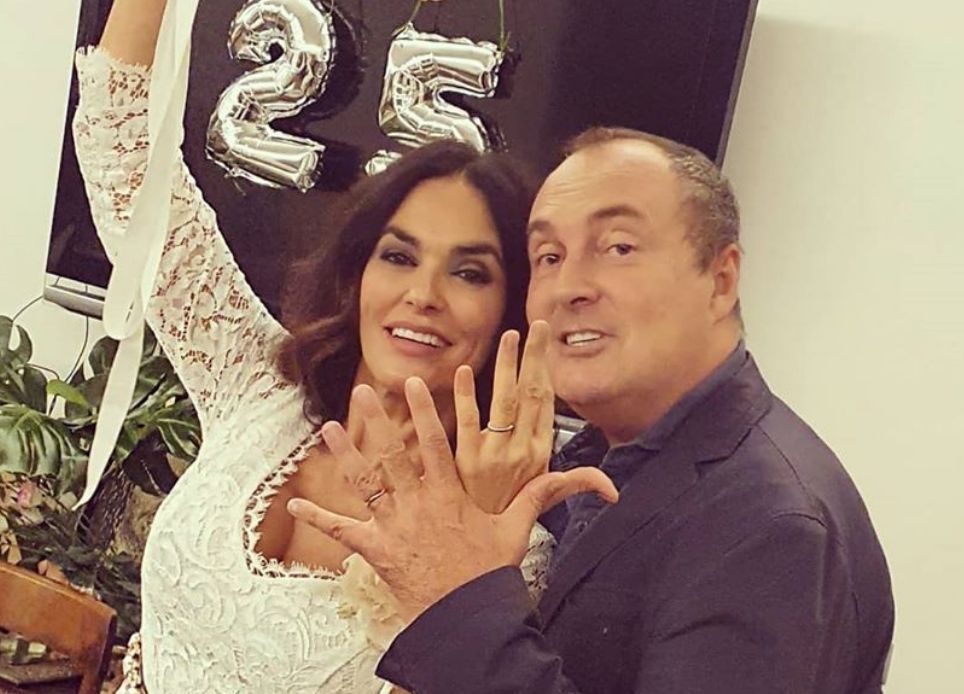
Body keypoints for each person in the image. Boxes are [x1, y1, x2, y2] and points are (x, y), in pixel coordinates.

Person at [70, 0, 611, 691]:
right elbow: (121, 152)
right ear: (358, 272)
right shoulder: (256, 383)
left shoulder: (509, 541)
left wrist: (471, 526)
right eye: (398, 257)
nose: (423, 294)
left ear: (513, 308)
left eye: (469, 272)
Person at [290, 127, 896, 693]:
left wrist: (460, 598)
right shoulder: (589, 463)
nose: (570, 286)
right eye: (549, 257)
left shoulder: (768, 526)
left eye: (618, 247)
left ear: (720, 280)